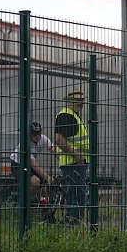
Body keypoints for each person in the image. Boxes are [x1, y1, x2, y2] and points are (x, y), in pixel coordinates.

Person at [55, 89, 89, 223]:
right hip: (73, 164)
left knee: (77, 196)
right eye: (78, 102)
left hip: (75, 163)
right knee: (76, 197)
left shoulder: (73, 115)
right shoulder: (66, 116)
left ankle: (72, 224)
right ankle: (72, 225)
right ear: (69, 102)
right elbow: (59, 139)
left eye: (82, 102)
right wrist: (77, 156)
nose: (81, 105)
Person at [9, 121, 56, 205]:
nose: (38, 136)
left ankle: (43, 207)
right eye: (35, 134)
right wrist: (48, 177)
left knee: (43, 188)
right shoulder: (25, 144)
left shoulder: (43, 138)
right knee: (35, 181)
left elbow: (53, 150)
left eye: (39, 133)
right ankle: (23, 202)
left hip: (29, 165)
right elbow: (34, 165)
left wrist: (62, 158)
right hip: (18, 165)